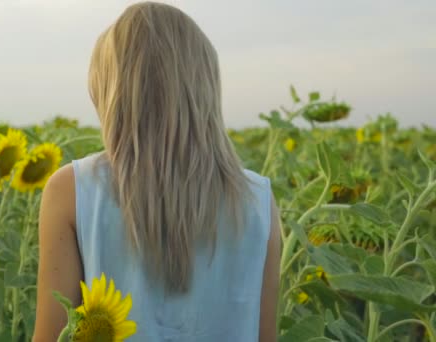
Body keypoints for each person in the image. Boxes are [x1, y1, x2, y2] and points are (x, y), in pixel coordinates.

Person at [33, 2, 281, 341]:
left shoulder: (73, 189)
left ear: (112, 91)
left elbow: (50, 336)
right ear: (205, 86)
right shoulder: (258, 200)